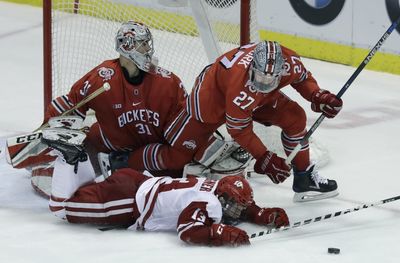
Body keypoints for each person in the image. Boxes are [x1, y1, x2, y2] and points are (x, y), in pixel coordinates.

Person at [125, 41, 343, 202]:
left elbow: (303, 79)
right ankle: (126, 161)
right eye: (260, 78)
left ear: (280, 71)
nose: (264, 83)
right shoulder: (240, 83)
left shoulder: (287, 64)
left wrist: (318, 96)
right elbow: (239, 129)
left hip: (256, 99)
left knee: (295, 118)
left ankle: (305, 177)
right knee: (177, 156)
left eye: (270, 79)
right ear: (251, 69)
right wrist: (264, 158)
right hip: (211, 100)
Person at [43, 131, 289, 247]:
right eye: (236, 205)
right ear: (223, 200)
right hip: (128, 202)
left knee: (85, 193)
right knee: (63, 209)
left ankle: (80, 157)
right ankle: (69, 158)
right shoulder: (209, 203)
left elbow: (236, 202)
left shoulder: (216, 188)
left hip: (135, 182)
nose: (238, 210)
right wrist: (219, 233)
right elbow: (187, 231)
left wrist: (260, 214)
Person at [24, 20, 188, 185]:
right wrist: (46, 137)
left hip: (156, 156)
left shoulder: (169, 84)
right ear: (128, 46)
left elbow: (184, 138)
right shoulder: (102, 77)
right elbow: (68, 106)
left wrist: (131, 160)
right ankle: (45, 159)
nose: (148, 49)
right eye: (143, 43)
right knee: (53, 178)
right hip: (112, 145)